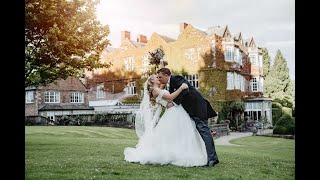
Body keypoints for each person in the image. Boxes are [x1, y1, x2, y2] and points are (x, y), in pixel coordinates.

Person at [124, 74, 208, 167]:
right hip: (173, 112)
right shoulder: (155, 90)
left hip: (175, 110)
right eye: (157, 78)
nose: (159, 78)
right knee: (180, 133)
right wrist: (181, 88)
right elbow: (170, 98)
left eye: (159, 77)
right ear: (152, 81)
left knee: (178, 134)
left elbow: (165, 90)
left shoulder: (158, 89)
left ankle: (178, 152)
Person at [156, 68, 219, 167]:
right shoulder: (171, 83)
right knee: (201, 132)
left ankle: (212, 159)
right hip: (191, 109)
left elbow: (185, 89)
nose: (159, 79)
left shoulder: (176, 78)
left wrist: (174, 102)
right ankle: (210, 157)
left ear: (167, 75)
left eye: (160, 77)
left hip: (197, 107)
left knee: (204, 131)